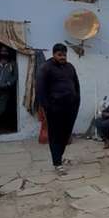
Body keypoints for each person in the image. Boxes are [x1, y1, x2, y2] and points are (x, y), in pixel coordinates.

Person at [36, 43, 80, 173]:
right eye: (59, 55)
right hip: (55, 108)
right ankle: (57, 163)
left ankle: (59, 157)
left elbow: (76, 85)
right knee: (55, 135)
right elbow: (40, 89)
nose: (62, 57)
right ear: (54, 54)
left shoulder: (70, 67)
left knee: (66, 134)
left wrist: (77, 101)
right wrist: (47, 107)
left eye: (64, 55)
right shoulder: (46, 67)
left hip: (70, 107)